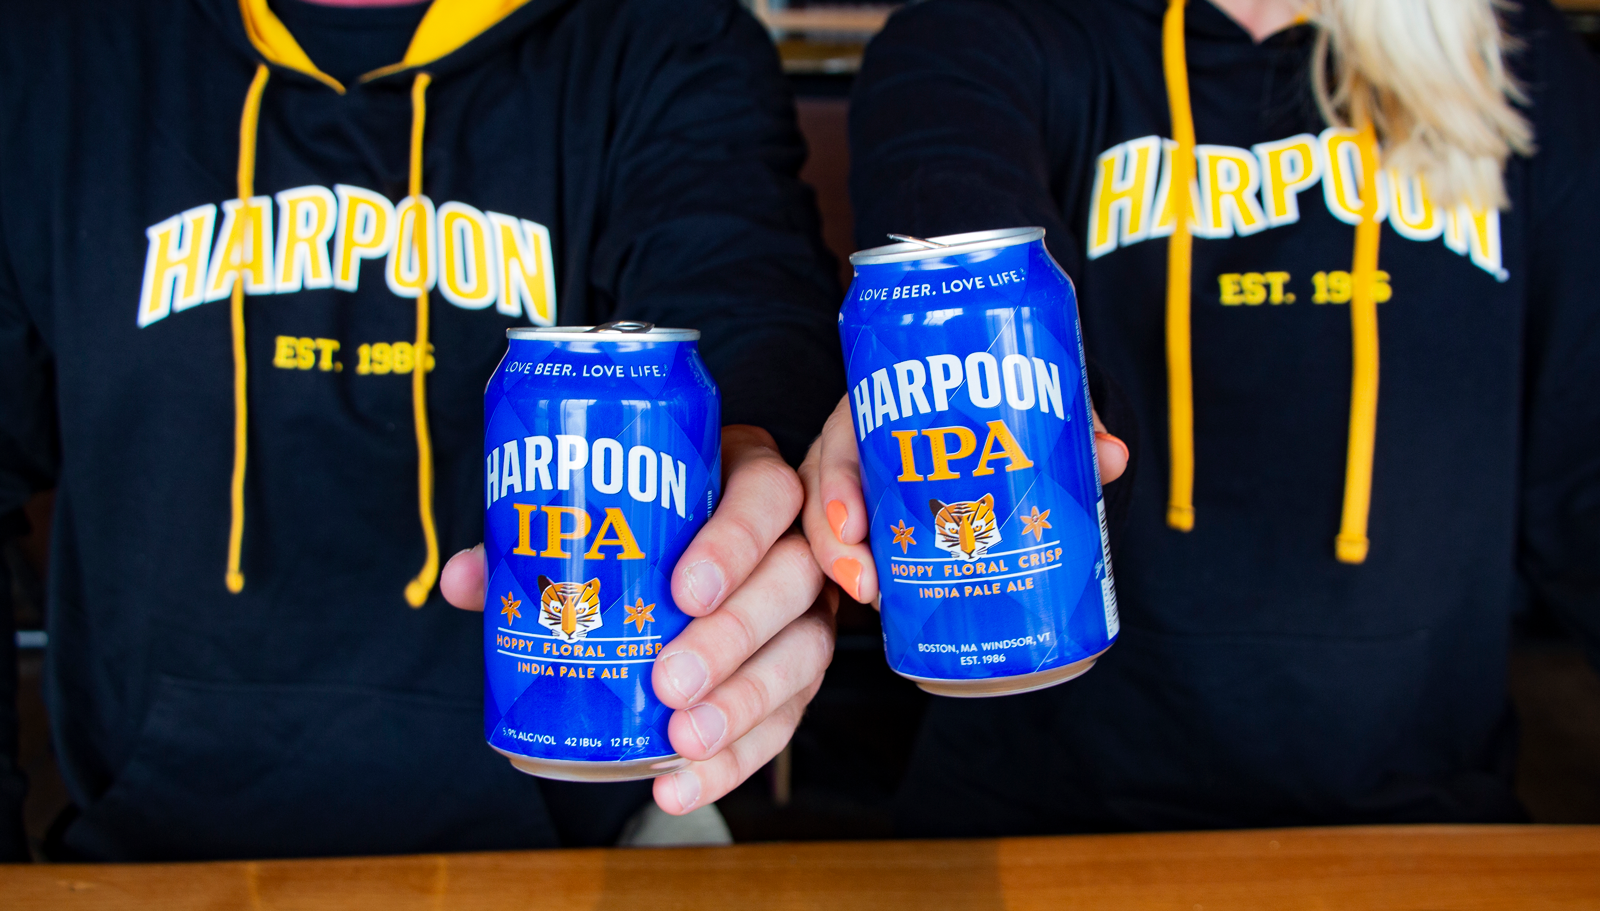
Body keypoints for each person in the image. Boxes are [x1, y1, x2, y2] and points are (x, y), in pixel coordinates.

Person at [0, 0, 842, 860]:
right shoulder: (46, 49)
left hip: (596, 837)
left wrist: (758, 476)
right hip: (142, 854)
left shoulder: (667, 34)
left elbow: (749, 301)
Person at [804, 0, 1600, 834]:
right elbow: (950, 196)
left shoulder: (1517, 57)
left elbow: (1584, 490)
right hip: (1044, 818)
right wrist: (969, 390)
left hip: (1428, 826)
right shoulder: (982, 32)